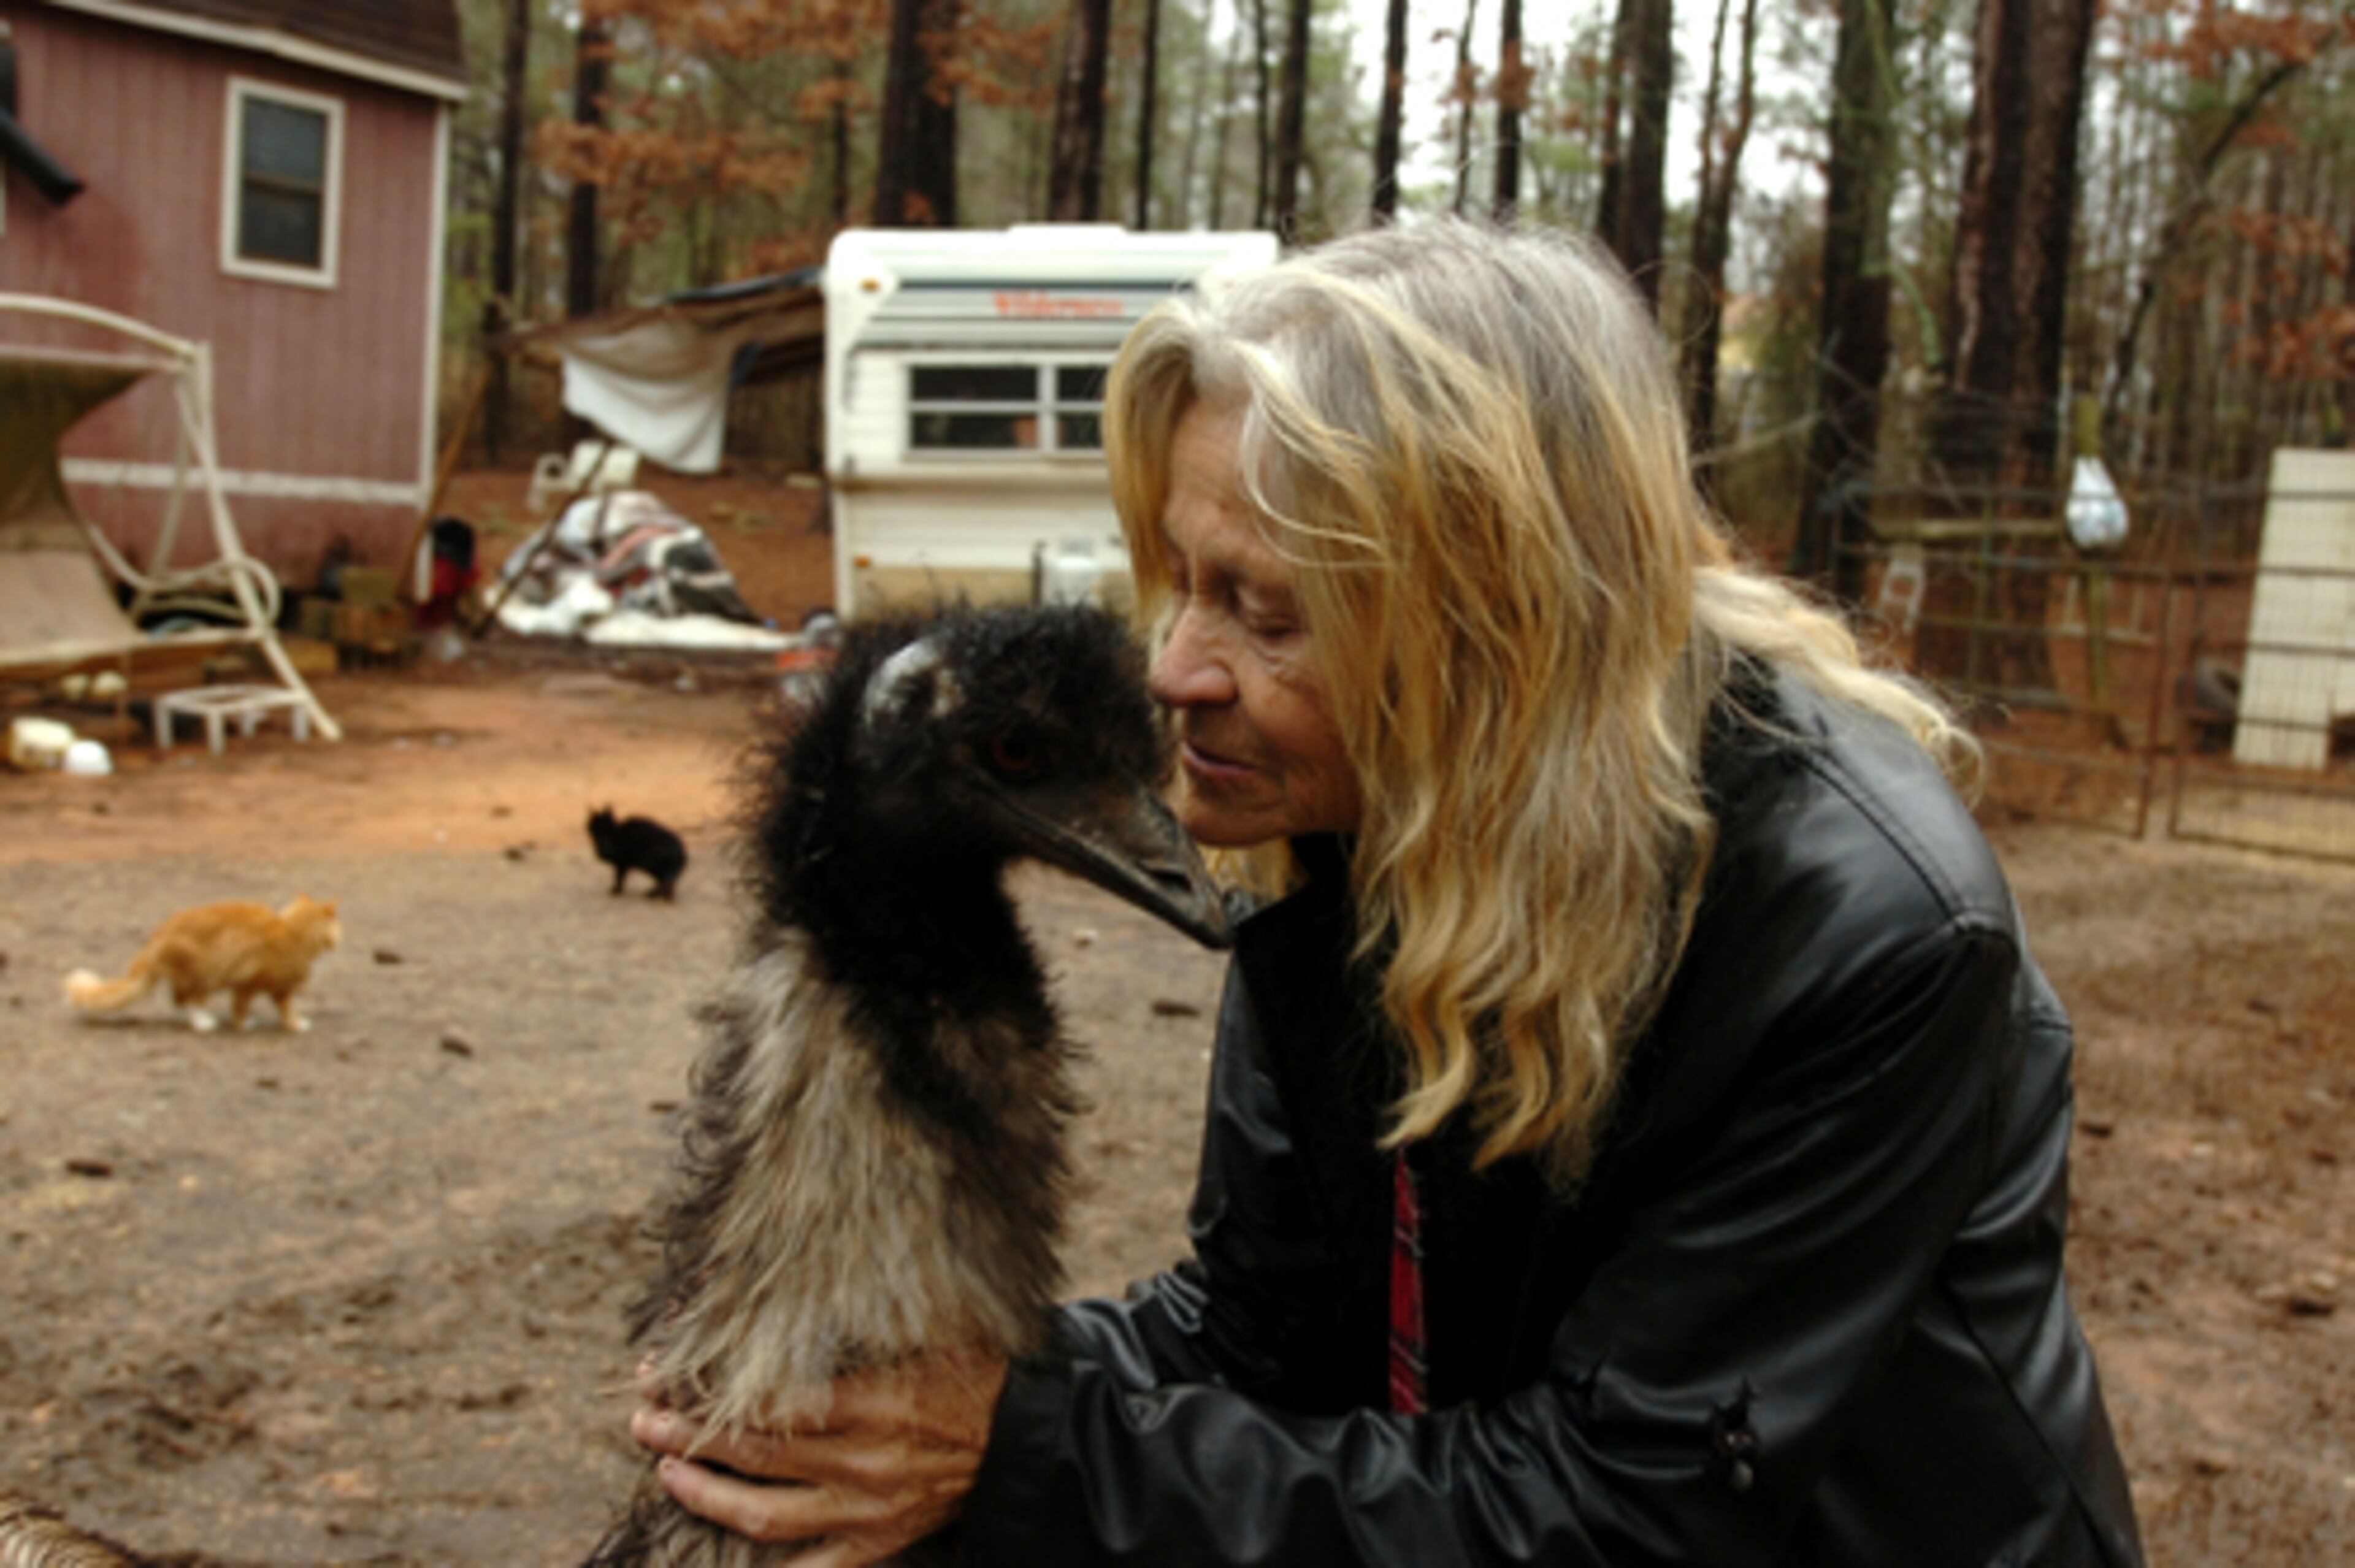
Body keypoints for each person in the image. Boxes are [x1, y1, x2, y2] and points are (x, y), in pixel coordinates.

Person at [629, 221, 2145, 1566]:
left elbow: (1630, 1503)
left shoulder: (1864, 931)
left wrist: (1024, 1449)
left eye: (1264, 609)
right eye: (1176, 573)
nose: (1171, 667)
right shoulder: (1350, 812)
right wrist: (883, 1407)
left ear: (1489, 629)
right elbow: (1267, 1324)